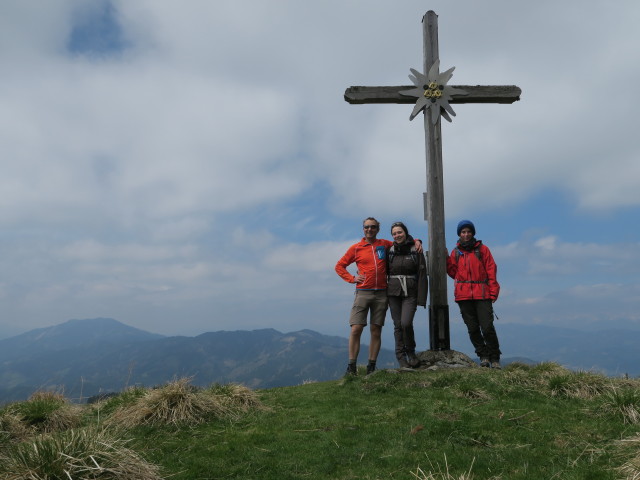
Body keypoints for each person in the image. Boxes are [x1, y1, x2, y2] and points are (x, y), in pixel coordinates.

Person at [335, 217, 421, 375]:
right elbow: (339, 266)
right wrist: (352, 279)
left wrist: (416, 240)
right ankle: (351, 366)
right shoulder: (356, 248)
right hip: (363, 292)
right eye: (367, 227)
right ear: (363, 229)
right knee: (356, 328)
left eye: (373, 227)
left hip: (382, 293)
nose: (370, 229)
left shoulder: (384, 244)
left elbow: (401, 242)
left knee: (376, 330)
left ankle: (371, 366)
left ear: (377, 229)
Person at [446, 219, 502, 369]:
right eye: (463, 232)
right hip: (464, 296)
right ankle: (483, 356)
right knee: (472, 328)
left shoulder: (483, 250)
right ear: (459, 234)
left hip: (482, 294)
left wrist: (493, 290)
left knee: (487, 327)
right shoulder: (456, 252)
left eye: (468, 231)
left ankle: (495, 357)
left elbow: (491, 269)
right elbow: (453, 272)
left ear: (473, 233)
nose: (466, 234)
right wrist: (446, 259)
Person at [386, 222, 427, 368]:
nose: (397, 235)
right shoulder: (390, 250)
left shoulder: (415, 250)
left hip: (410, 292)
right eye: (394, 233)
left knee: (406, 323)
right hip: (393, 292)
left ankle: (411, 352)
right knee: (398, 325)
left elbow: (422, 274)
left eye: (399, 232)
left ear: (405, 232)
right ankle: (401, 358)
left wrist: (422, 298)